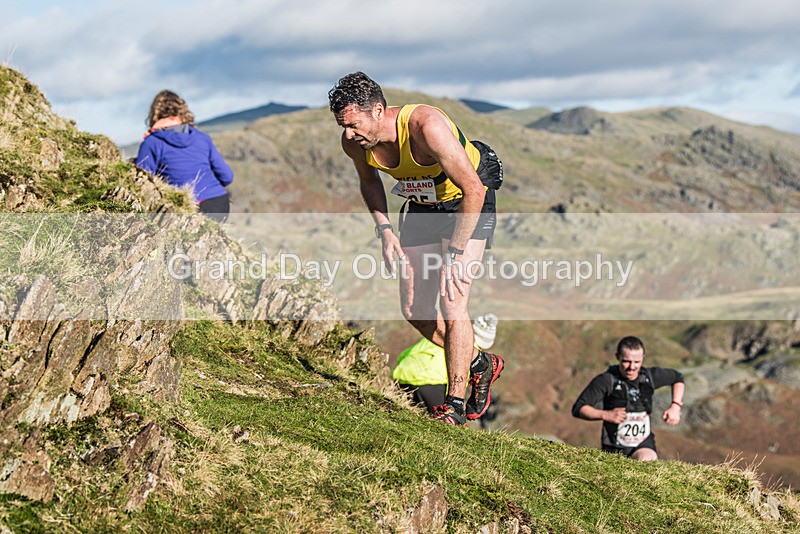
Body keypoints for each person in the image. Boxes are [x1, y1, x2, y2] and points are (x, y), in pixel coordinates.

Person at [328, 72, 504, 426]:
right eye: (342, 126)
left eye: (353, 124)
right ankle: (479, 362)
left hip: (466, 202)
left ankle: (454, 406)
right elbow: (368, 180)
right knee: (414, 309)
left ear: (378, 111)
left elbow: (474, 190)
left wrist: (455, 254)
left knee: (452, 301)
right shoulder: (355, 144)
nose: (348, 134)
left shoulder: (426, 126)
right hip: (423, 206)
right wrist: (385, 230)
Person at [571, 336, 685, 461]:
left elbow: (677, 378)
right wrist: (606, 415)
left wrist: (675, 406)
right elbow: (579, 408)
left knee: (647, 459)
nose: (632, 367)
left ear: (643, 358)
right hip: (614, 448)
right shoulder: (606, 380)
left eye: (637, 362)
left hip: (643, 443)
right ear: (617, 357)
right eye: (626, 361)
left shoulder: (649, 377)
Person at [135, 90, 233, 222]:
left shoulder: (152, 142)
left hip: (186, 208)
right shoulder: (202, 138)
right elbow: (227, 177)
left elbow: (142, 185)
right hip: (219, 202)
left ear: (154, 114)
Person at [394, 313, 499, 415]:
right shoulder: (470, 352)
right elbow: (460, 377)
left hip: (402, 376)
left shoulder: (441, 335)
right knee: (445, 421)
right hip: (430, 382)